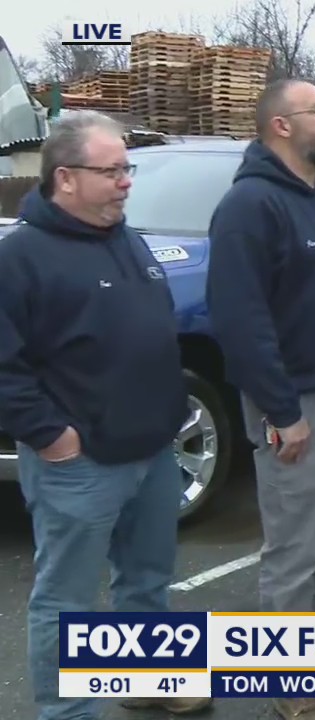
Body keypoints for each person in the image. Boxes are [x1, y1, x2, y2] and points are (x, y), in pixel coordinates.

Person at [0, 110, 211, 720]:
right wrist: (51, 436)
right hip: (79, 464)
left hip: (154, 453)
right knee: (66, 600)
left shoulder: (127, 239)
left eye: (127, 168)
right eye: (112, 170)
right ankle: (68, 712)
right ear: (65, 178)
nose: (126, 181)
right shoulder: (22, 258)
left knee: (146, 582)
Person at [207, 80, 315, 720]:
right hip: (295, 406)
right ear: (282, 125)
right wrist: (283, 412)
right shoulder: (250, 206)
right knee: (295, 552)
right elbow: (241, 319)